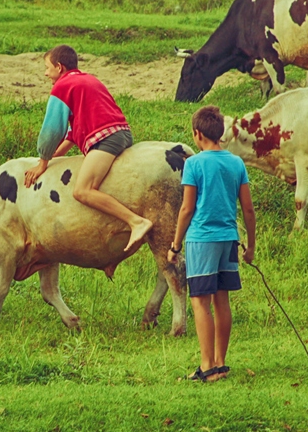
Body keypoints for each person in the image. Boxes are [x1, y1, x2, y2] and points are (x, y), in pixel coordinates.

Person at [24, 45, 152, 252]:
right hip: (121, 133)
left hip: (106, 139)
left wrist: (42, 162)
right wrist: (54, 157)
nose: (46, 73)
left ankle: (136, 222)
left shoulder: (62, 86)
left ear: (59, 67)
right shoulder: (88, 79)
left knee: (82, 191)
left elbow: (52, 130)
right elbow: (73, 132)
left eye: (47, 68)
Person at [168, 105, 256, 382]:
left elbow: (186, 209)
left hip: (202, 240)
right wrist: (251, 246)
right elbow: (248, 209)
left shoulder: (194, 164)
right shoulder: (236, 163)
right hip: (229, 239)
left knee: (199, 301)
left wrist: (175, 245)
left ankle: (207, 367)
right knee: (221, 300)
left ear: (197, 134)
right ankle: (220, 362)